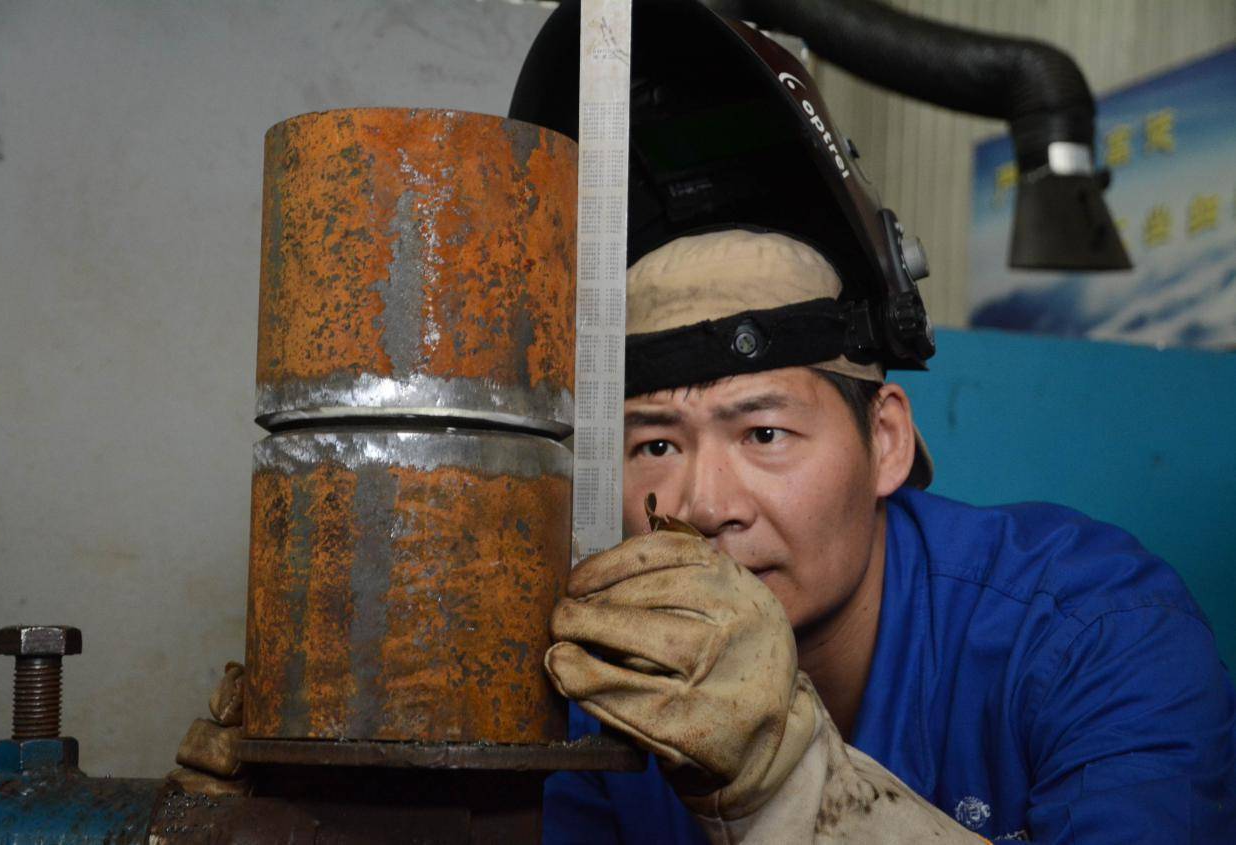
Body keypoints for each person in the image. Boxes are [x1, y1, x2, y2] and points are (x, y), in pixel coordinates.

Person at [510, 2, 1236, 842]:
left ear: (885, 439)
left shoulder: (1094, 632)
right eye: (657, 443)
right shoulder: (613, 709)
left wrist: (788, 786)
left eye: (764, 433)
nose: (705, 504)